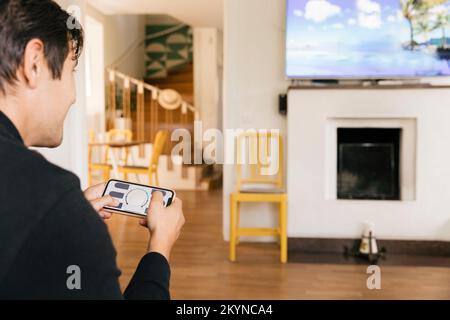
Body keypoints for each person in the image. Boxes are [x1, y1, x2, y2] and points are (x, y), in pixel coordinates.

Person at [0, 0, 185, 299]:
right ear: (34, 62)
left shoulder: (55, 208)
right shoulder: (54, 198)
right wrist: (159, 249)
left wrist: (66, 219)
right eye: (73, 70)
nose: (73, 97)